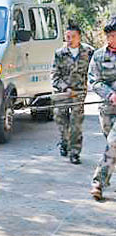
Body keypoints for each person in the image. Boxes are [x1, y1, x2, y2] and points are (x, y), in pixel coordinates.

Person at [51, 24, 94, 164]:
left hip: (79, 93)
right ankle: (64, 141)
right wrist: (65, 88)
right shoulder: (59, 53)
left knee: (76, 124)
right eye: (67, 37)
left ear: (79, 37)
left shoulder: (88, 52)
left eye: (72, 37)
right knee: (60, 120)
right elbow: (54, 75)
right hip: (62, 93)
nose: (69, 39)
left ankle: (75, 152)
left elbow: (94, 71)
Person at [89, 17, 116, 200]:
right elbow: (94, 81)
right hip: (107, 109)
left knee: (114, 143)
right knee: (113, 145)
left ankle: (98, 182)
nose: (110, 39)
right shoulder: (99, 55)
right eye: (108, 36)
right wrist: (111, 94)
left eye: (113, 35)